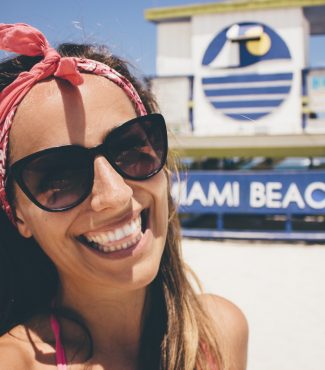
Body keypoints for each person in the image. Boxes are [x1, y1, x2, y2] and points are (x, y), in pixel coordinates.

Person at [0, 23, 248, 369]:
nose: (114, 196)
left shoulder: (220, 331)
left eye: (130, 148)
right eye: (60, 176)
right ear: (18, 213)